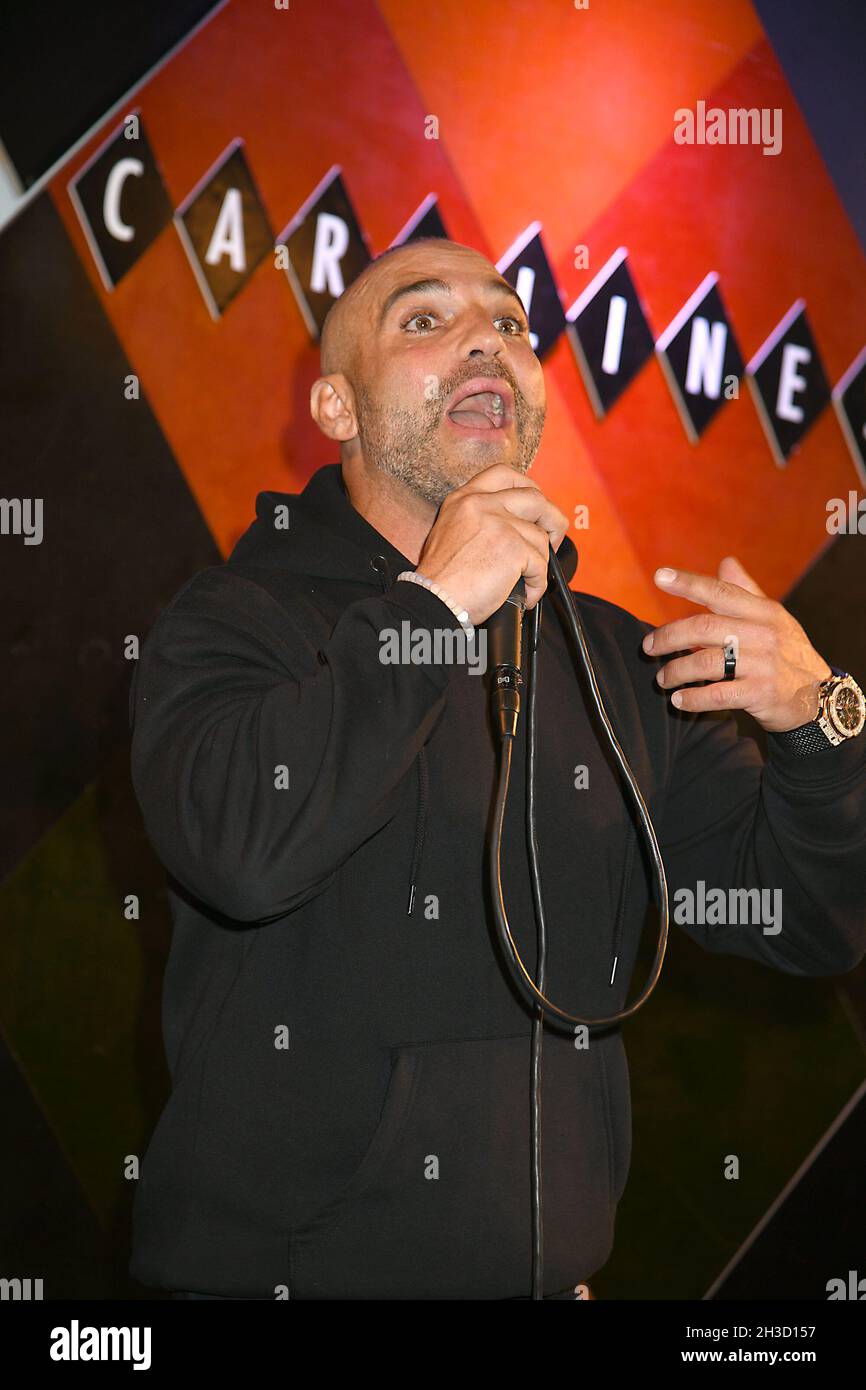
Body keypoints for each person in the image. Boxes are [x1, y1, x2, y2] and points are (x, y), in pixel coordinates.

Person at [128, 237, 866, 1301]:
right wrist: (433, 613)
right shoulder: (236, 621)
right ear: (334, 408)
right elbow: (245, 850)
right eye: (421, 321)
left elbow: (806, 920)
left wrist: (818, 727)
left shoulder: (617, 663)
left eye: (511, 324)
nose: (486, 338)